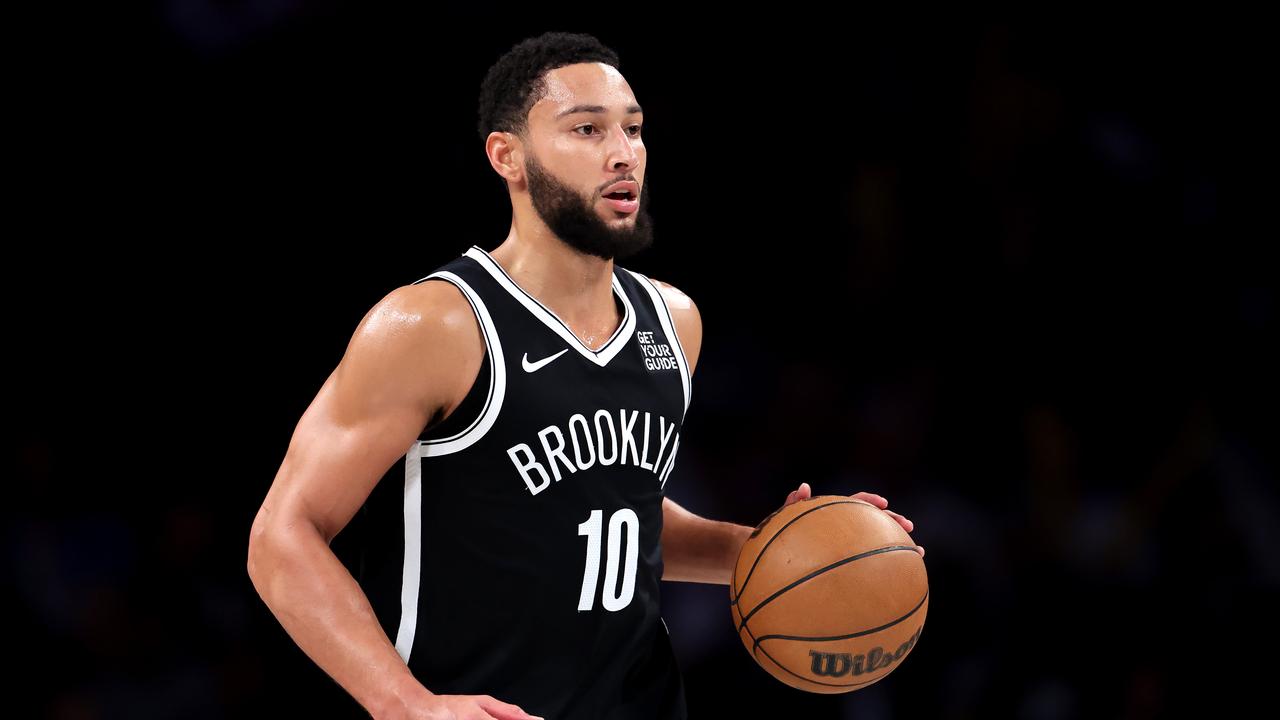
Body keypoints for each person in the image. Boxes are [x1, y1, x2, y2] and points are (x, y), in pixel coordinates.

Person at [246, 31, 923, 720]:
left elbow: (614, 512)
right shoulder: (437, 324)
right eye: (587, 128)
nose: (622, 152)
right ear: (507, 156)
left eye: (633, 128)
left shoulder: (672, 320)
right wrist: (403, 703)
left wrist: (772, 549)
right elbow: (283, 536)